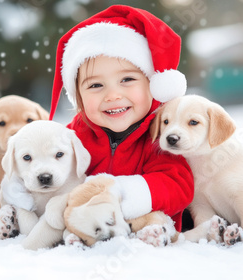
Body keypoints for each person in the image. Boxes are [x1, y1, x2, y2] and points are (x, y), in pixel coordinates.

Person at [49, 5, 194, 231]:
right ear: (78, 96)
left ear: (152, 83)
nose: (113, 95)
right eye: (96, 85)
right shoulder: (71, 137)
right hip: (87, 237)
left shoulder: (160, 136)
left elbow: (178, 186)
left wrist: (121, 192)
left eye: (127, 79)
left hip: (148, 238)